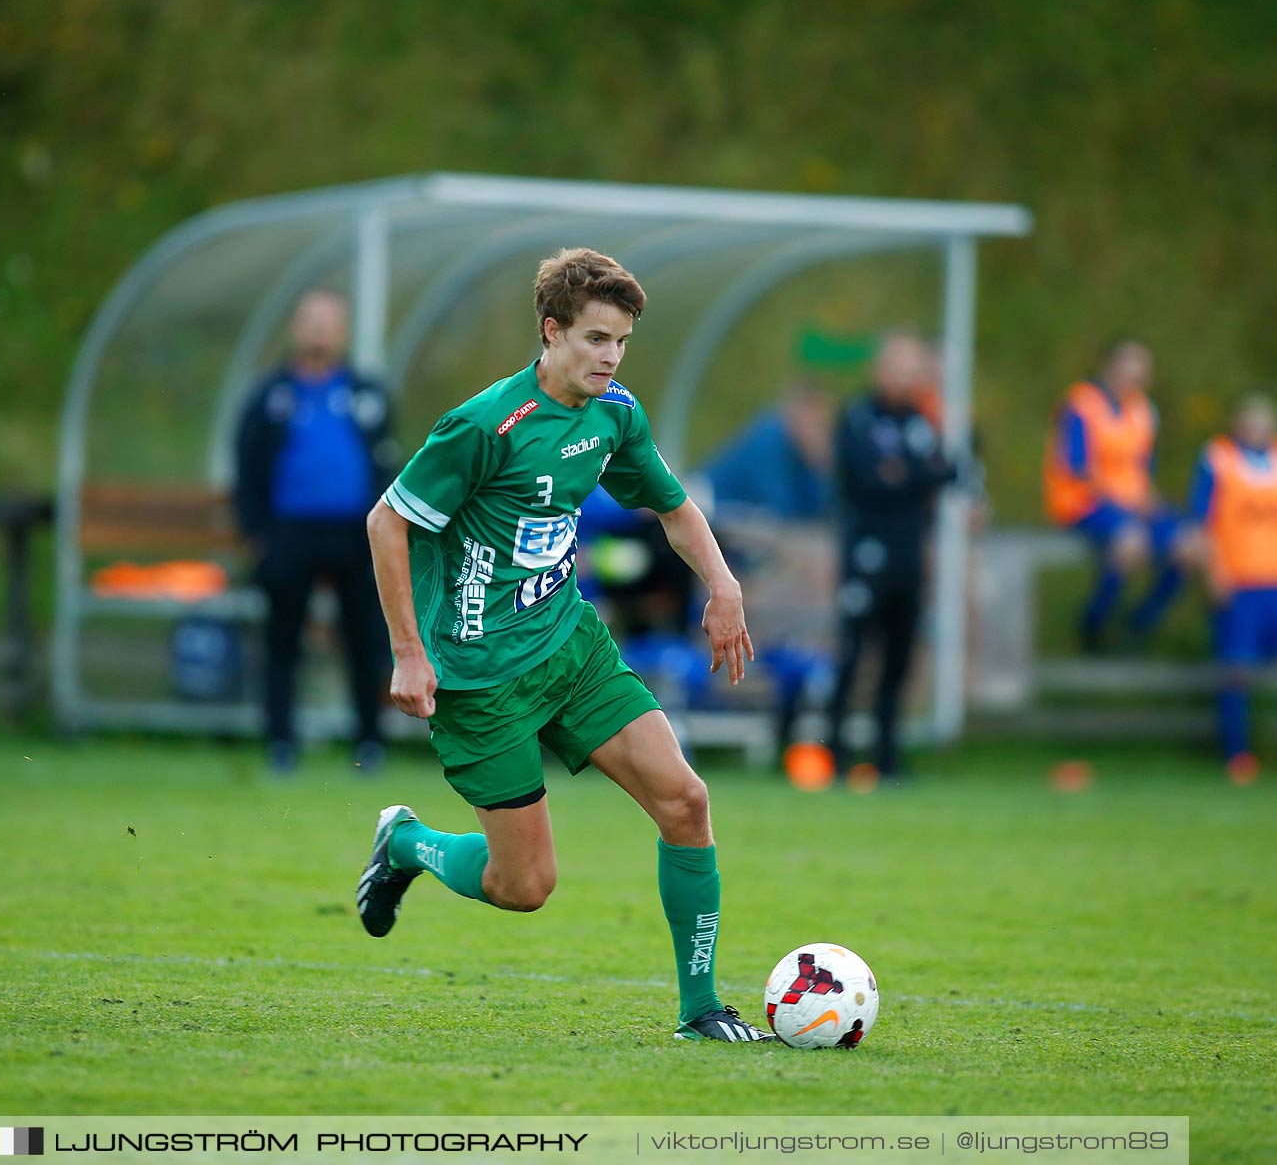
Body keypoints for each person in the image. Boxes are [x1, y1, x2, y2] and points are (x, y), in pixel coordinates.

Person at [356, 248, 767, 1043]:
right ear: (552, 333)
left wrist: (723, 585)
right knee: (526, 886)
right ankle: (406, 842)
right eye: (595, 339)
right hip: (480, 680)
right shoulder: (484, 427)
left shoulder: (615, 414)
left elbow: (675, 510)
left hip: (570, 650)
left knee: (686, 802)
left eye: (621, 343)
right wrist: (409, 652)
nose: (610, 358)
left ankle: (700, 1010)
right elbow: (387, 522)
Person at [234, 289, 394, 775]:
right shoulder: (270, 396)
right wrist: (256, 533)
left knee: (364, 637)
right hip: (289, 533)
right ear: (295, 328)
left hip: (355, 533)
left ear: (343, 331)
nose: (320, 331)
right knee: (283, 638)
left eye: (329, 322)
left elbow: (387, 462)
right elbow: (247, 467)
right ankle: (281, 743)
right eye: (311, 321)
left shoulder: (366, 393)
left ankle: (368, 743)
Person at [825, 331, 958, 786]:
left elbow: (949, 469)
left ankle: (887, 757)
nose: (905, 378)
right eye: (897, 368)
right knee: (854, 653)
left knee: (900, 659)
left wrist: (906, 474)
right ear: (880, 371)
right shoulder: (859, 416)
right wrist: (912, 477)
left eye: (912, 370)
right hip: (866, 552)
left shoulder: (923, 421)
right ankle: (835, 754)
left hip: (909, 555)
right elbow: (864, 476)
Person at [1186, 394, 1277, 787]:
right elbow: (1204, 521)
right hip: (1240, 582)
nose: (1258, 429)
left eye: (1265, 422)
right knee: (1237, 671)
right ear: (1237, 424)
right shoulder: (1218, 459)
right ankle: (1238, 757)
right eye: (1250, 421)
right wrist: (1214, 571)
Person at [1042, 338, 1189, 651]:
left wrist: (1150, 501)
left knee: (1192, 547)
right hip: (1084, 502)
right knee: (1131, 543)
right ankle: (1092, 626)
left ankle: (1139, 623)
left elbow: (1141, 471)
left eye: (1140, 370)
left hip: (1131, 505)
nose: (1132, 376)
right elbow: (1078, 468)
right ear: (1109, 366)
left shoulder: (1144, 411)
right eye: (1126, 366)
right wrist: (1130, 500)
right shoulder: (1081, 404)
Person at [698, 381, 833, 520]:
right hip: (706, 501)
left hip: (733, 515)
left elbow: (817, 507)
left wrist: (823, 469)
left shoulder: (800, 456)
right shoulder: (769, 438)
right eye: (812, 423)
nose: (816, 434)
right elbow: (780, 508)